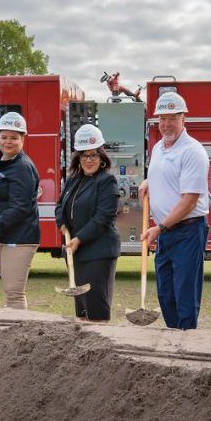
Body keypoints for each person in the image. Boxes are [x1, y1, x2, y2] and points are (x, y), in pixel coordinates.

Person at [140, 92, 210, 329]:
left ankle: (187, 346)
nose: (166, 124)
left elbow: (189, 201)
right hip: (166, 232)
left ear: (183, 119)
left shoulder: (193, 151)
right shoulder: (159, 148)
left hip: (187, 231)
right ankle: (172, 339)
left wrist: (159, 228)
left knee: (185, 296)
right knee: (166, 294)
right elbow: (166, 175)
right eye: (162, 118)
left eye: (173, 118)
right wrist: (150, 182)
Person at [54, 124, 120, 321]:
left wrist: (79, 239)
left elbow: (103, 218)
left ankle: (100, 349)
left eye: (93, 155)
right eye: (84, 155)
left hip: (98, 253)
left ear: (101, 157)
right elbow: (60, 205)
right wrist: (62, 224)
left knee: (96, 311)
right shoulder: (74, 180)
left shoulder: (107, 182)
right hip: (77, 252)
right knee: (82, 310)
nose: (88, 160)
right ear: (78, 158)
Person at [0, 112, 40, 309]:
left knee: (14, 293)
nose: (8, 141)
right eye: (4, 137)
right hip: (3, 237)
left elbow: (20, 208)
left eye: (14, 137)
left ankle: (20, 336)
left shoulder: (22, 167)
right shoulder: (4, 162)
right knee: (8, 290)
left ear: (23, 139)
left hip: (20, 239)